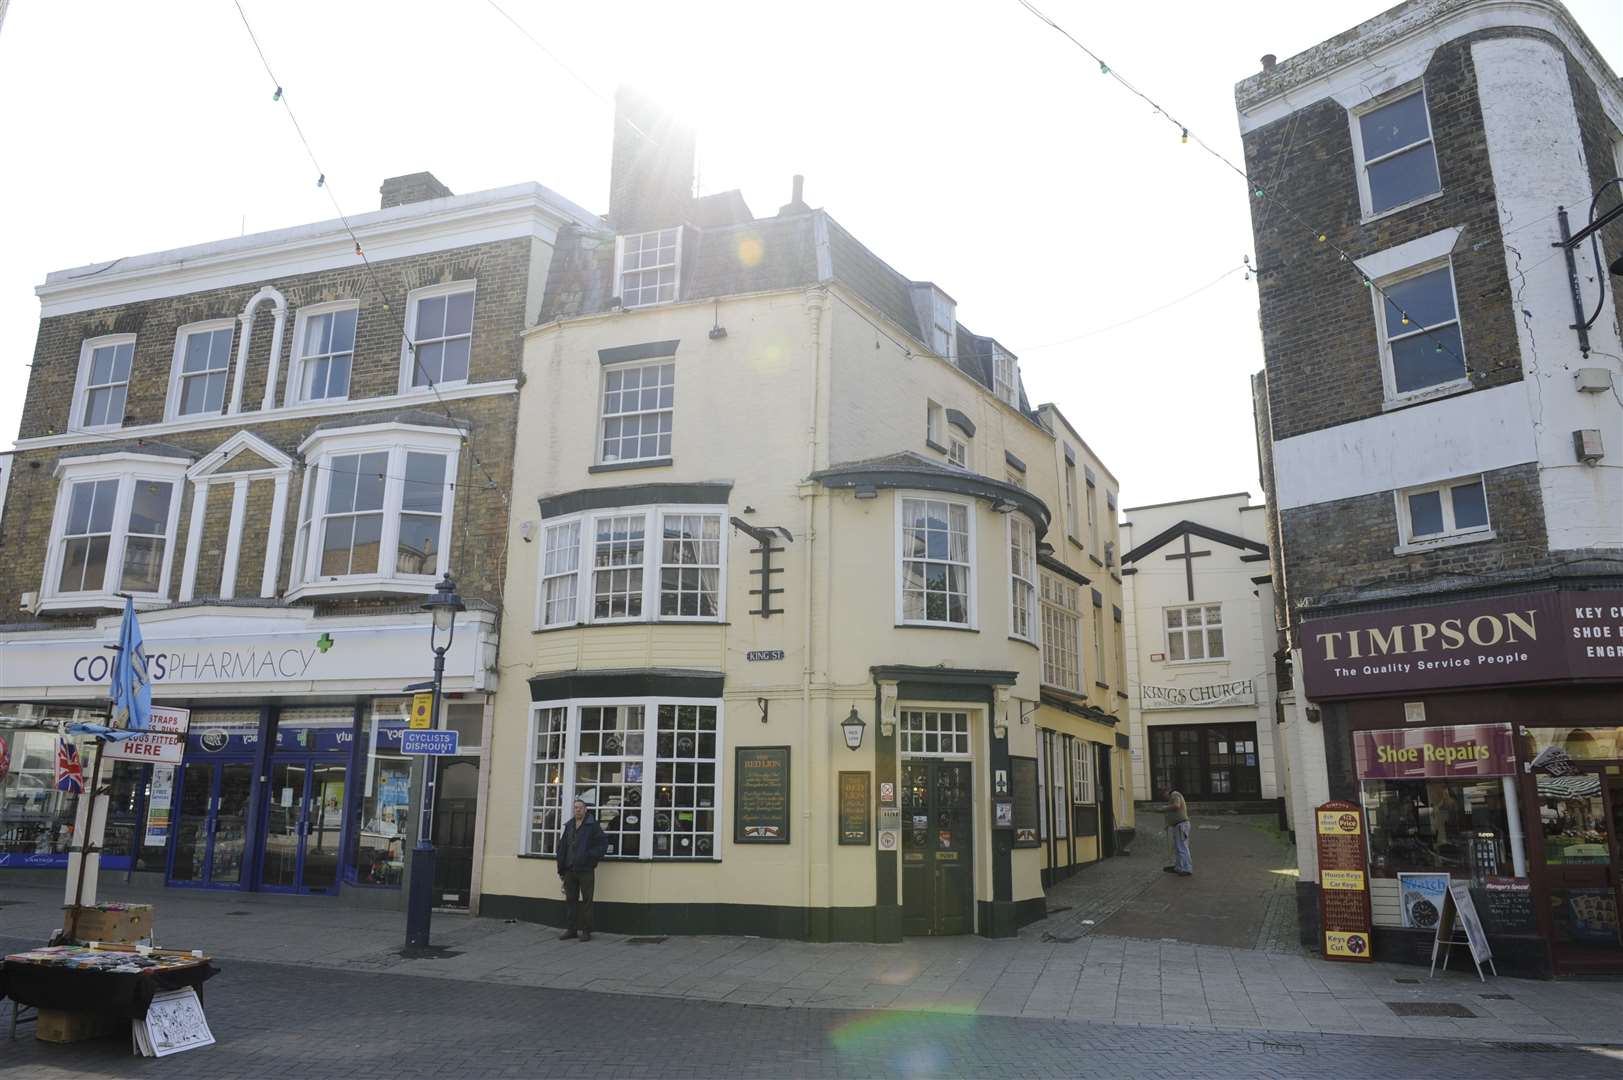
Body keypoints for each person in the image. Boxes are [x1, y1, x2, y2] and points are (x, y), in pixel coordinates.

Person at [556, 797, 609, 941]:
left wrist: (589, 856)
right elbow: (562, 847)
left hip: (585, 869)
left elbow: (602, 844)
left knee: (587, 901)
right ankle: (571, 929)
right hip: (569, 869)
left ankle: (586, 931)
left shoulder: (592, 825)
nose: (577, 810)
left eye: (580, 807)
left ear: (585, 809)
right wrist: (561, 867)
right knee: (570, 900)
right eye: (575, 807)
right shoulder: (569, 825)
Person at [1163, 790, 1192, 876]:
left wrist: (1165, 808)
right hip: (1178, 825)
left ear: (1167, 792)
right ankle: (1179, 867)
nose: (1164, 798)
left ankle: (1186, 869)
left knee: (1182, 847)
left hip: (1181, 825)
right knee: (1178, 847)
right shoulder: (1172, 797)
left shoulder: (1175, 795)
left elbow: (1176, 806)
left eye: (1164, 795)